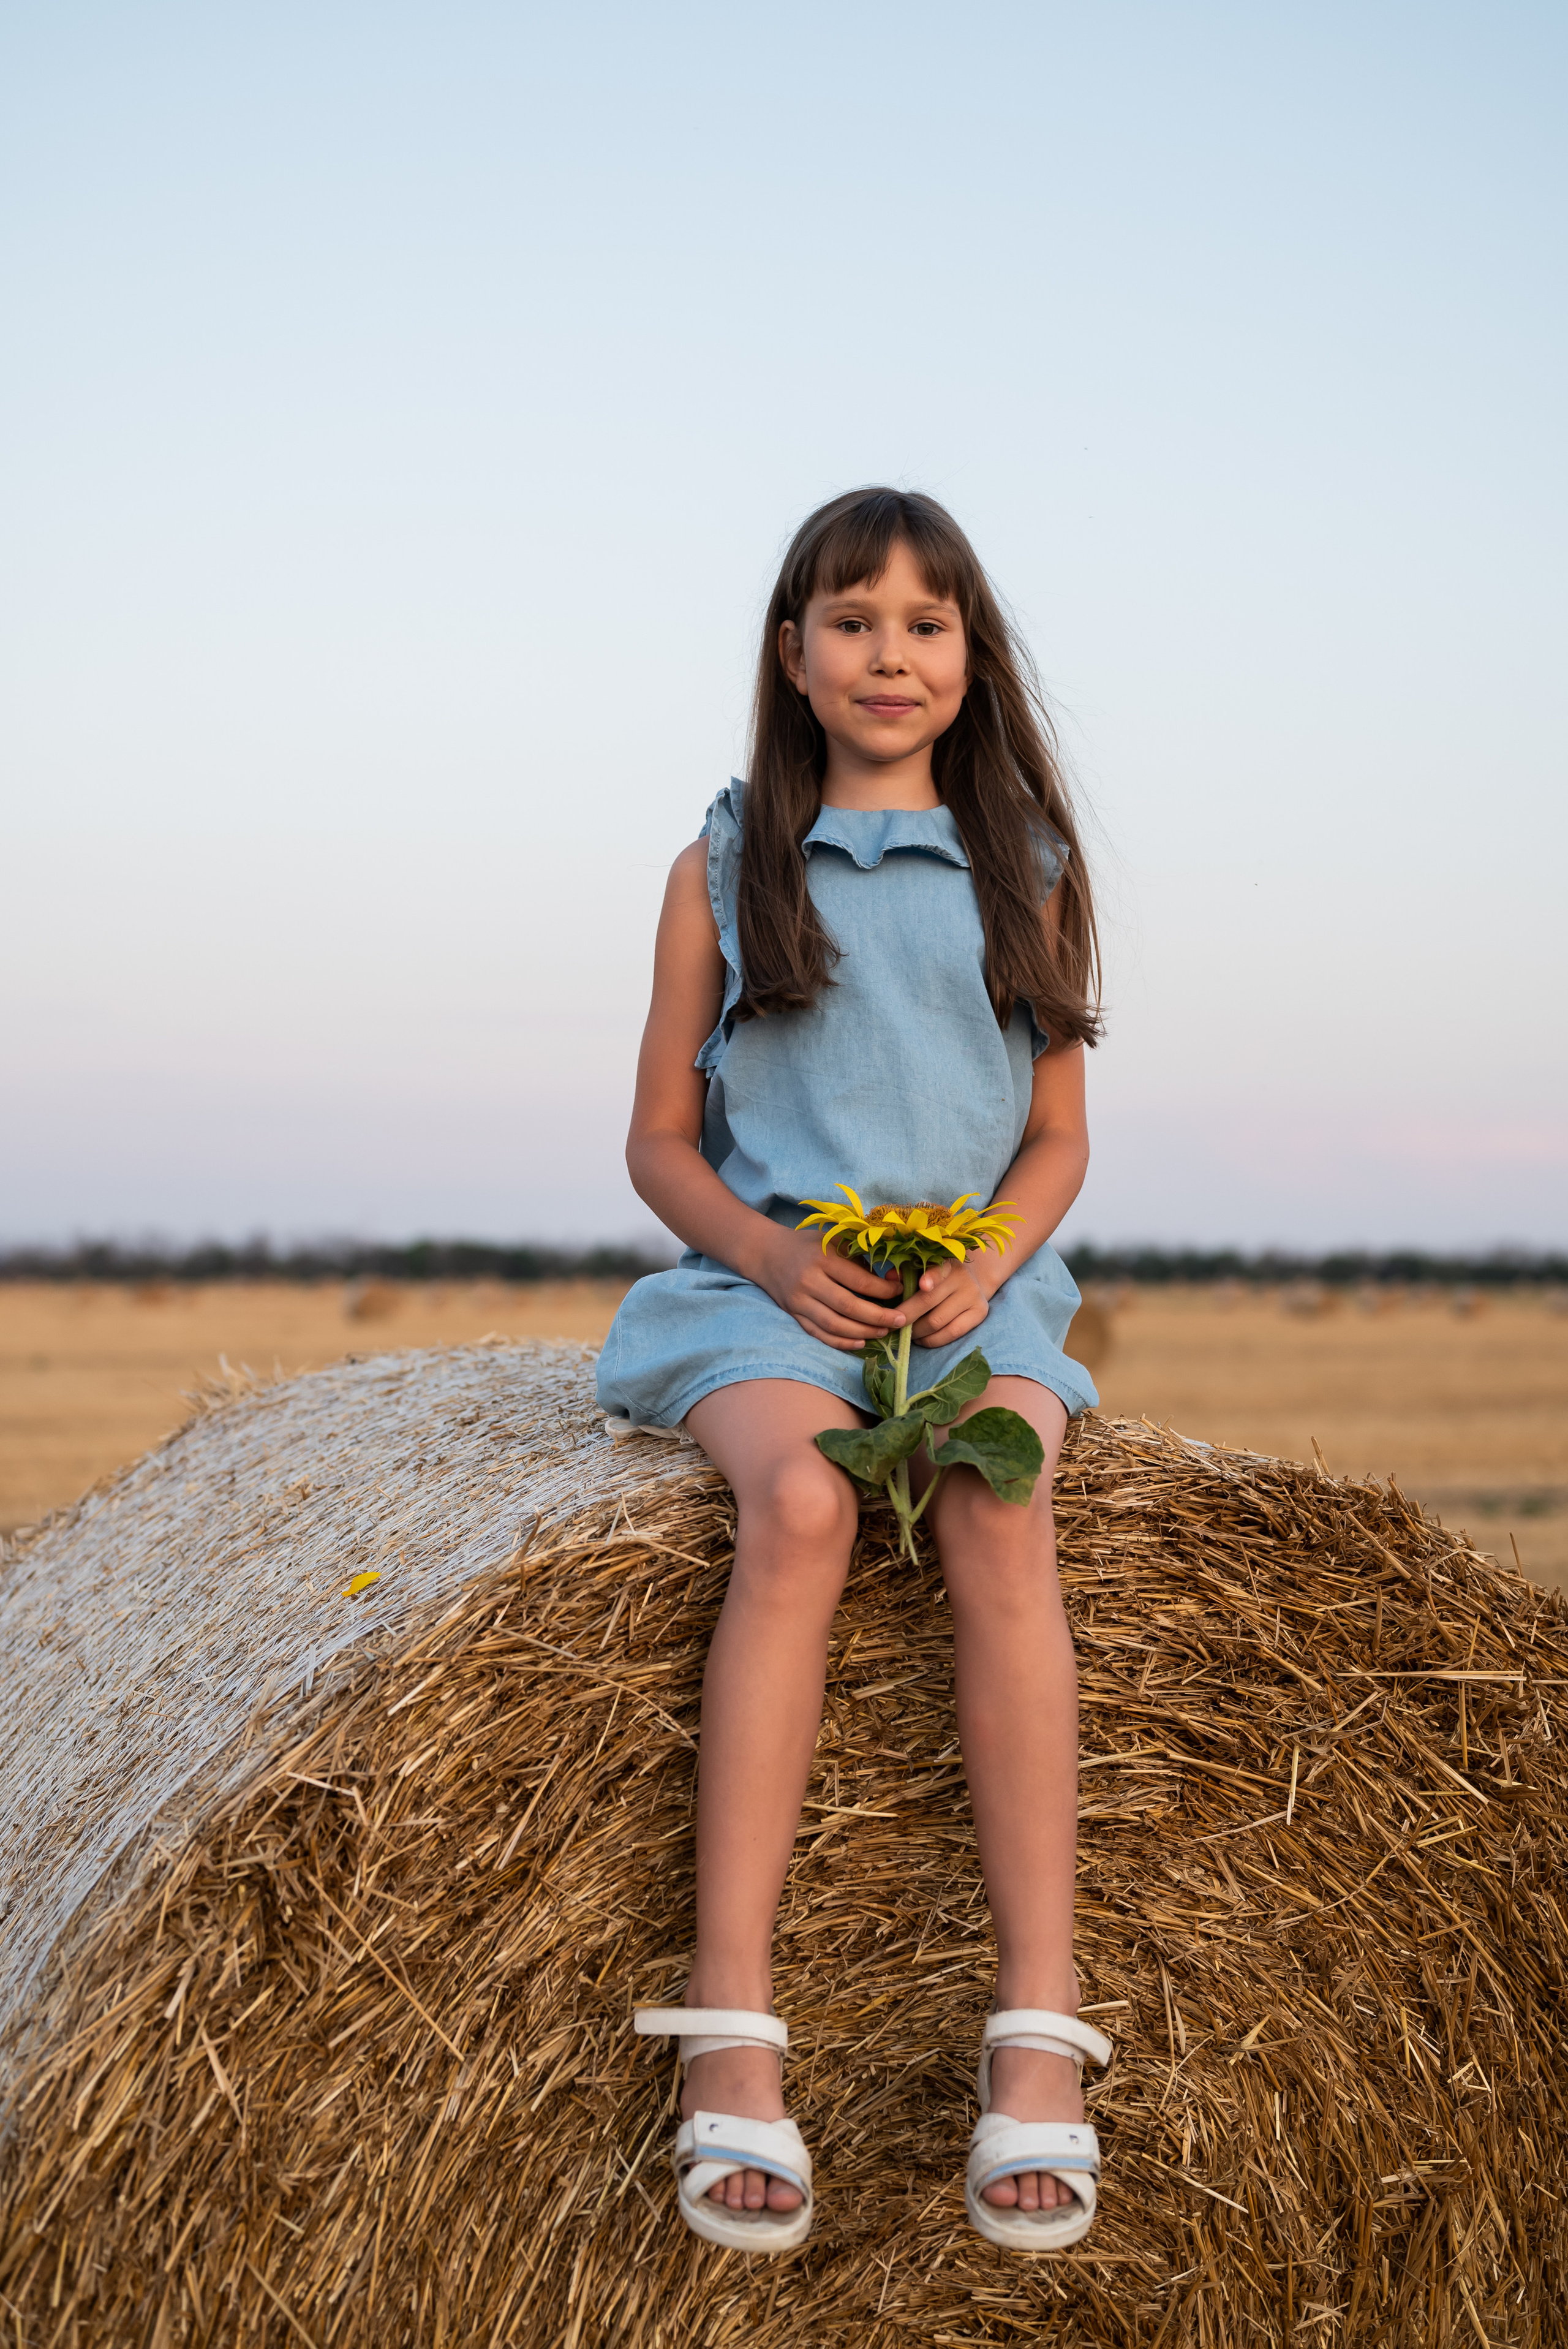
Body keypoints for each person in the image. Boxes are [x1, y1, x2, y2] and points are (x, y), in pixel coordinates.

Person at [600, 487, 1111, 2254]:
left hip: (977, 1294)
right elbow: (662, 1142)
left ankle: (1037, 2030)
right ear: (793, 656)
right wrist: (767, 1254)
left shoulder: (1033, 866)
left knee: (998, 1501)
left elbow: (1057, 1138)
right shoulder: (722, 864)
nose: (890, 653)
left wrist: (988, 1258)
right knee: (805, 1505)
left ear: (969, 664)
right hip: (765, 1291)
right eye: (853, 619)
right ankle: (728, 2013)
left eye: (927, 623)